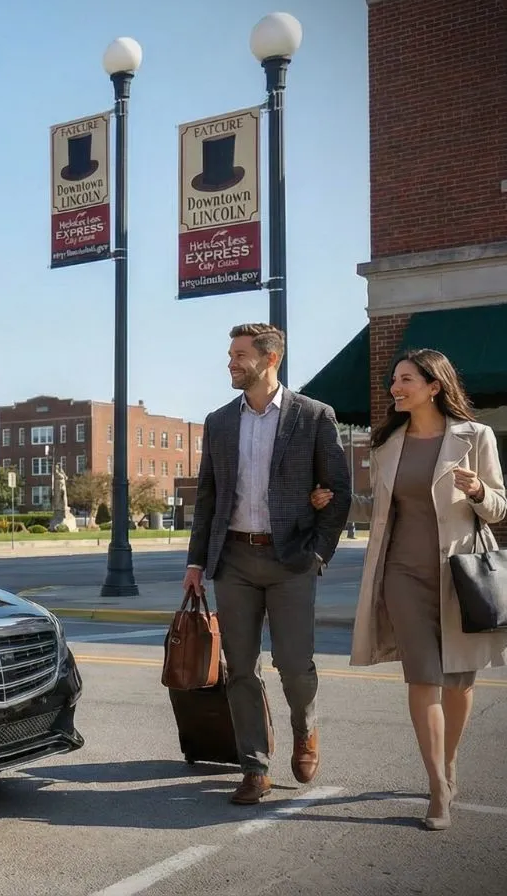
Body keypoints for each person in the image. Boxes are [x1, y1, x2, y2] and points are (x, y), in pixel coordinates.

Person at [317, 348, 507, 831]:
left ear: (434, 386)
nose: (395, 388)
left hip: (461, 573)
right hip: (402, 574)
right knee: (422, 676)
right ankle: (437, 788)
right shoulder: (387, 444)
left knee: (461, 679)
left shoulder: (475, 438)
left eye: (405, 379)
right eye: (394, 380)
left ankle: (448, 763)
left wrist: (477, 492)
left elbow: (499, 510)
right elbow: (377, 509)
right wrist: (331, 502)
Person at [183, 323, 351, 804]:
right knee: (240, 668)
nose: (231, 362)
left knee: (294, 665)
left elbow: (337, 492)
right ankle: (254, 766)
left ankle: (305, 728)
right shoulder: (218, 421)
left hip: (291, 559)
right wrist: (196, 563)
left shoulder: (314, 416)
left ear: (269, 359)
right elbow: (208, 499)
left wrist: (318, 552)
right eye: (230, 354)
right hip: (233, 558)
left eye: (239, 354)